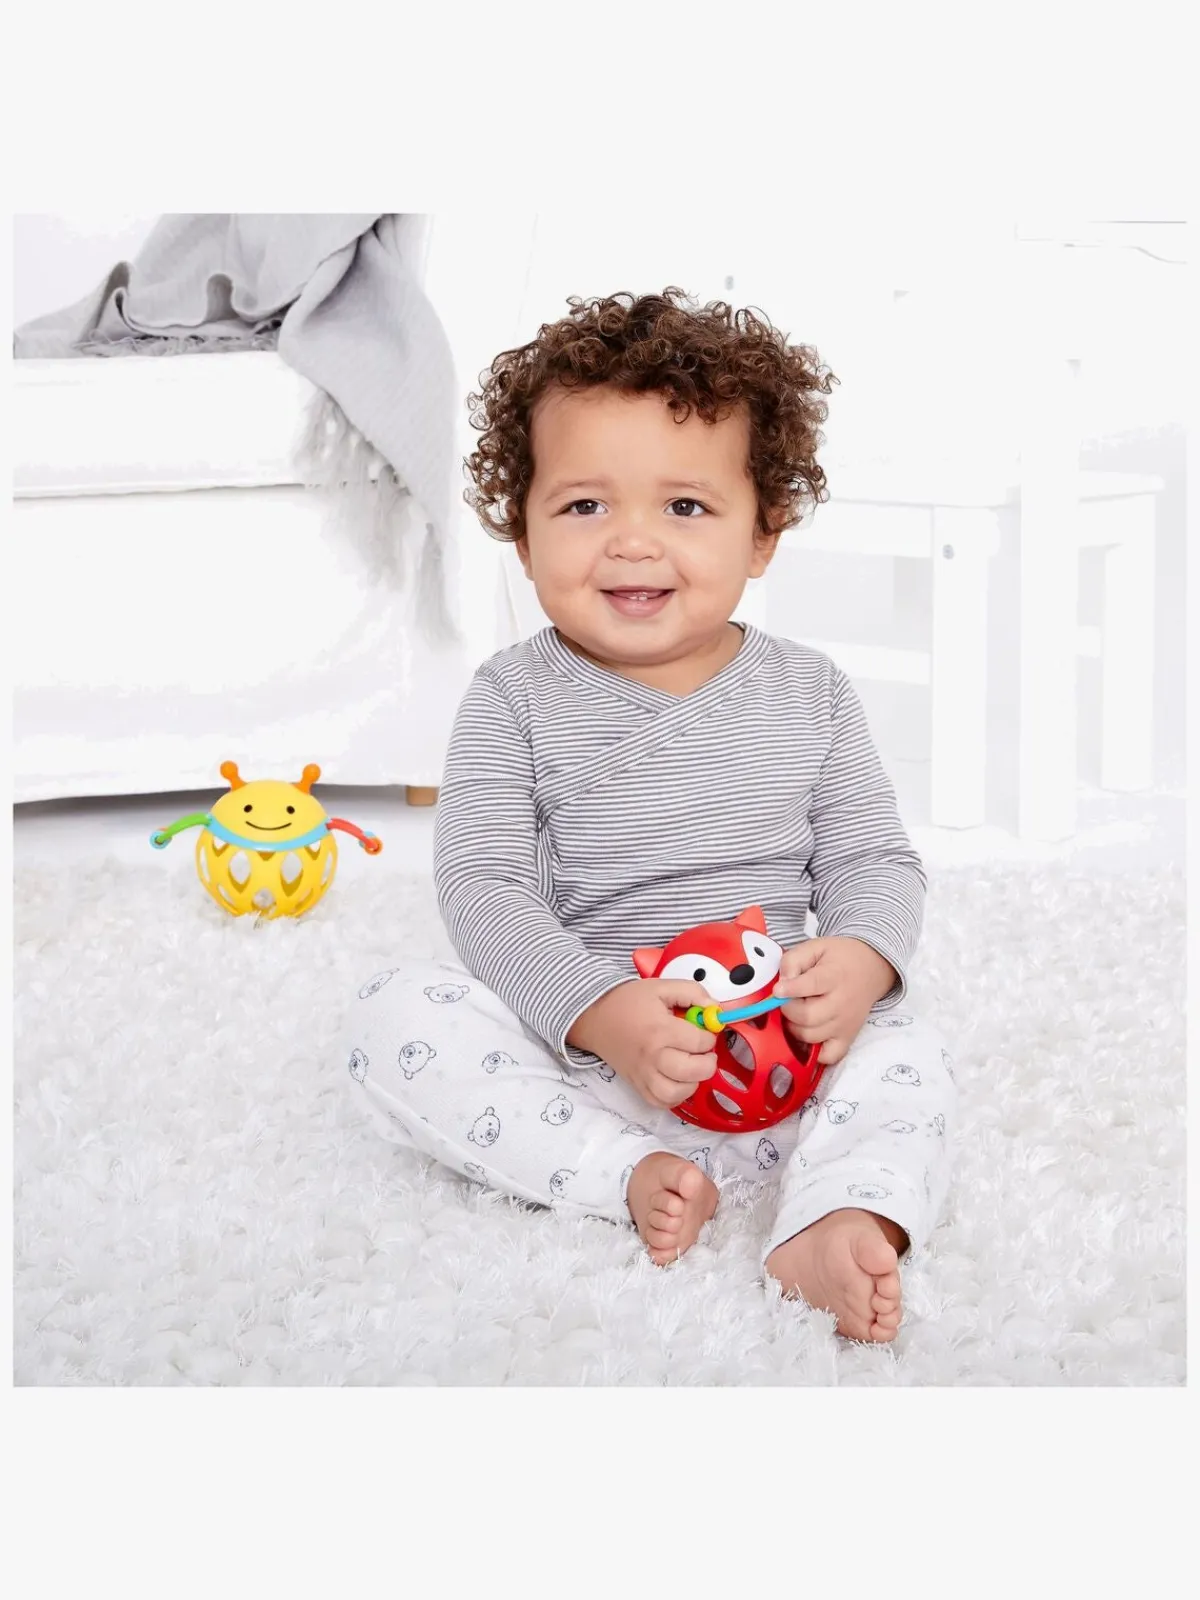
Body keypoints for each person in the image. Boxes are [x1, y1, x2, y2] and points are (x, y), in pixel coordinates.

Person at [341, 288, 955, 1343]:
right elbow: (484, 887)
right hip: (602, 1065)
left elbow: (873, 859)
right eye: (585, 506)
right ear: (522, 533)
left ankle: (835, 1214)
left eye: (685, 508)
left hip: (789, 1056)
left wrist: (858, 962)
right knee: (392, 1017)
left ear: (763, 534)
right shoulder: (513, 698)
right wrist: (602, 1013)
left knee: (911, 1046)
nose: (632, 543)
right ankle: (626, 1173)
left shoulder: (809, 692)